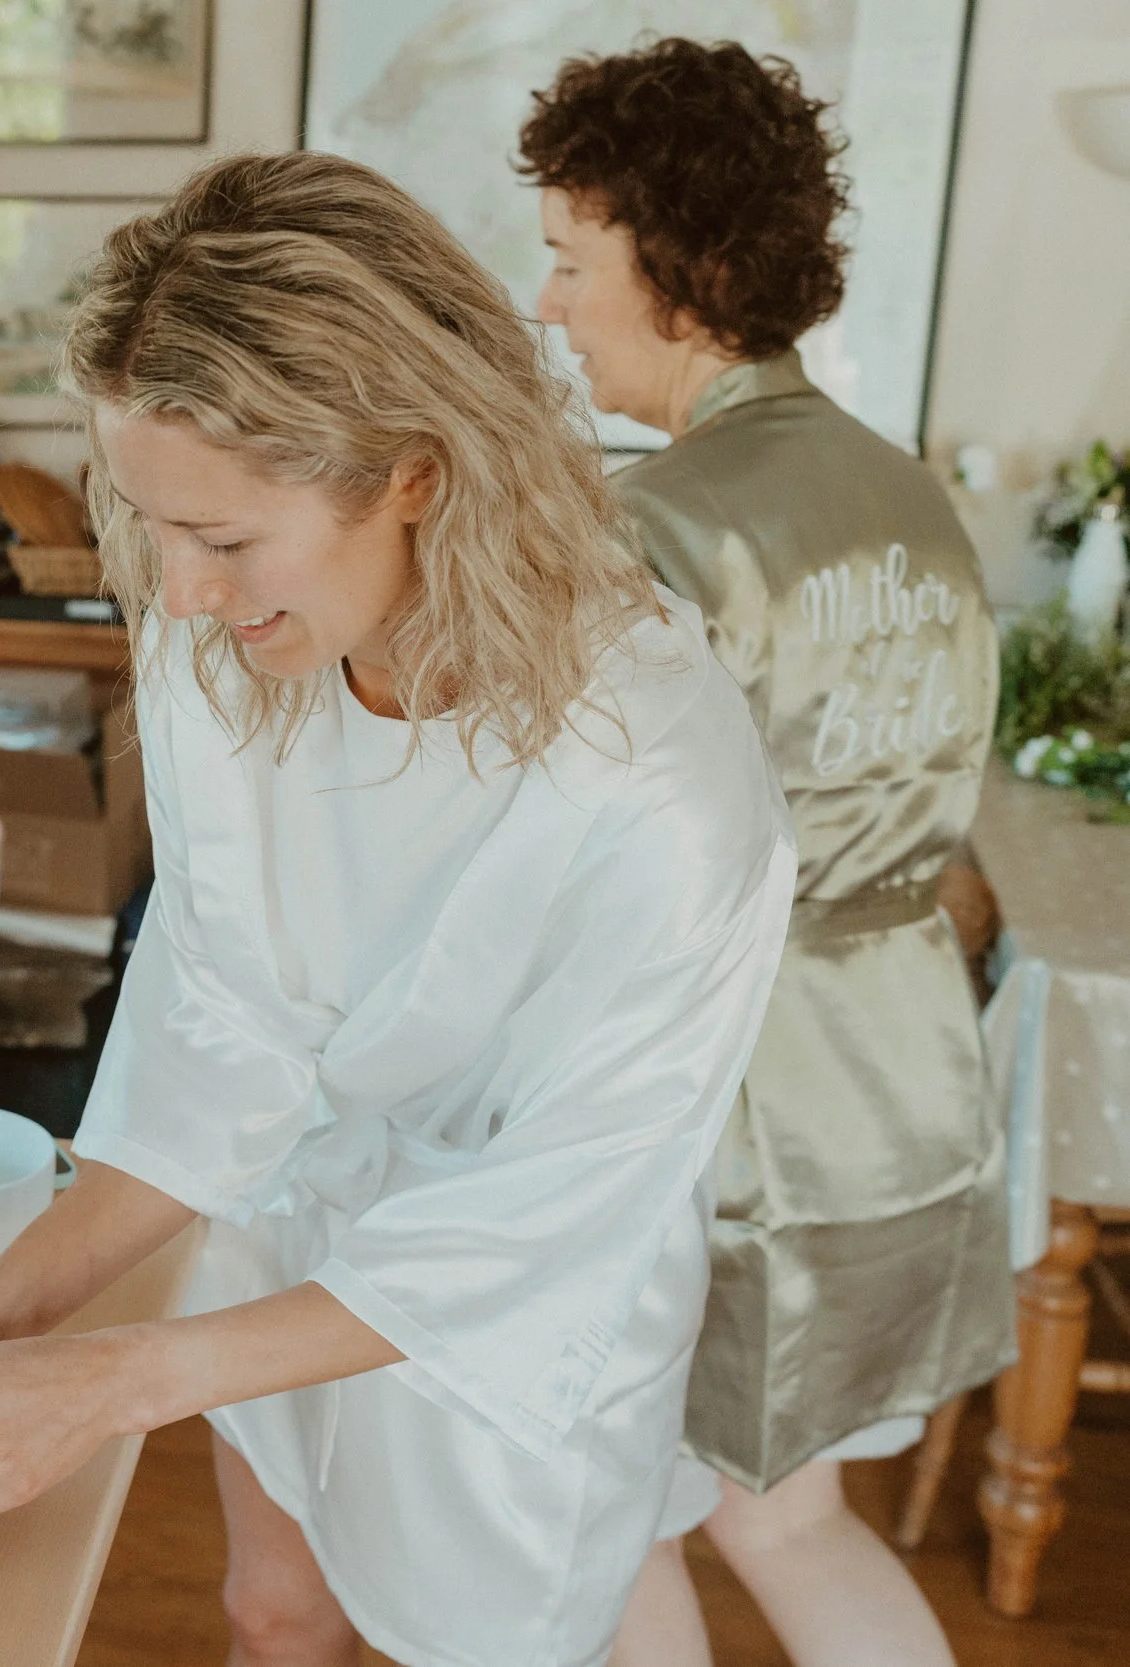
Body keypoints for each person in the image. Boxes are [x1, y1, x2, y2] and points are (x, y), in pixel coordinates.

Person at [0, 150, 797, 1667]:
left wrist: (116, 1378)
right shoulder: (230, 651)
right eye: (152, 524)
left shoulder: (660, 782)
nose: (179, 596)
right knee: (268, 1608)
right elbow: (226, 1034)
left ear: (417, 473)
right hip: (287, 1221)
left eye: (229, 537)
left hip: (511, 1309)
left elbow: (546, 1221)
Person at [520, 39, 1009, 1667]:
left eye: (570, 261)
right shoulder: (913, 497)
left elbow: (592, 861)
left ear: (687, 271)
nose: (548, 305)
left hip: (718, 1108)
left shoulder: (658, 524)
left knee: (611, 1511)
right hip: (902, 1072)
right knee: (789, 1515)